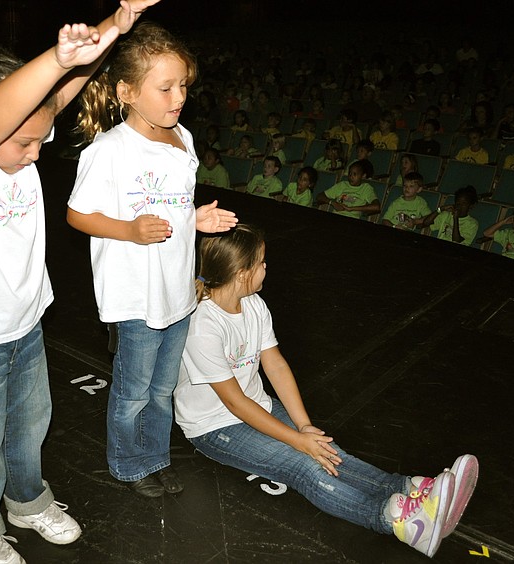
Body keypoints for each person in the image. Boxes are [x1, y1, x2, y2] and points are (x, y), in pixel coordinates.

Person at [0, 3, 157, 562]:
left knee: (27, 429)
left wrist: (117, 23)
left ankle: (26, 501)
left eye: (41, 141)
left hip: (23, 324)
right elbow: (0, 110)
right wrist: (57, 57)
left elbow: (54, 97)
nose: (35, 153)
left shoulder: (24, 130)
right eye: (24, 145)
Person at [173, 224, 479, 559]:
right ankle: (400, 521)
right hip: (214, 427)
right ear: (242, 273)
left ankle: (409, 489)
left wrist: (305, 428)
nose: (266, 268)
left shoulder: (255, 305)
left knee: (327, 450)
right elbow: (234, 402)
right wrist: (295, 441)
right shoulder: (203, 324)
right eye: (261, 263)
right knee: (303, 466)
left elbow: (275, 365)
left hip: (255, 405)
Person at [67, 20, 238, 499]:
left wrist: (193, 218)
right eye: (164, 87)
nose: (177, 96)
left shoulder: (182, 139)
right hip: (135, 295)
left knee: (163, 391)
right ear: (126, 91)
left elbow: (173, 205)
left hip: (177, 291)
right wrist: (127, 229)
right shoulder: (110, 150)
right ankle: (128, 464)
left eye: (182, 85)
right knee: (132, 393)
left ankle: (155, 458)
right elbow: (77, 214)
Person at [315, 160, 380, 220]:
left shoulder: (366, 188)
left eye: (355, 174)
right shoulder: (342, 185)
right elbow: (319, 196)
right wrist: (333, 203)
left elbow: (377, 207)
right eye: (350, 174)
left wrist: (351, 209)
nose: (351, 177)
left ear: (363, 176)